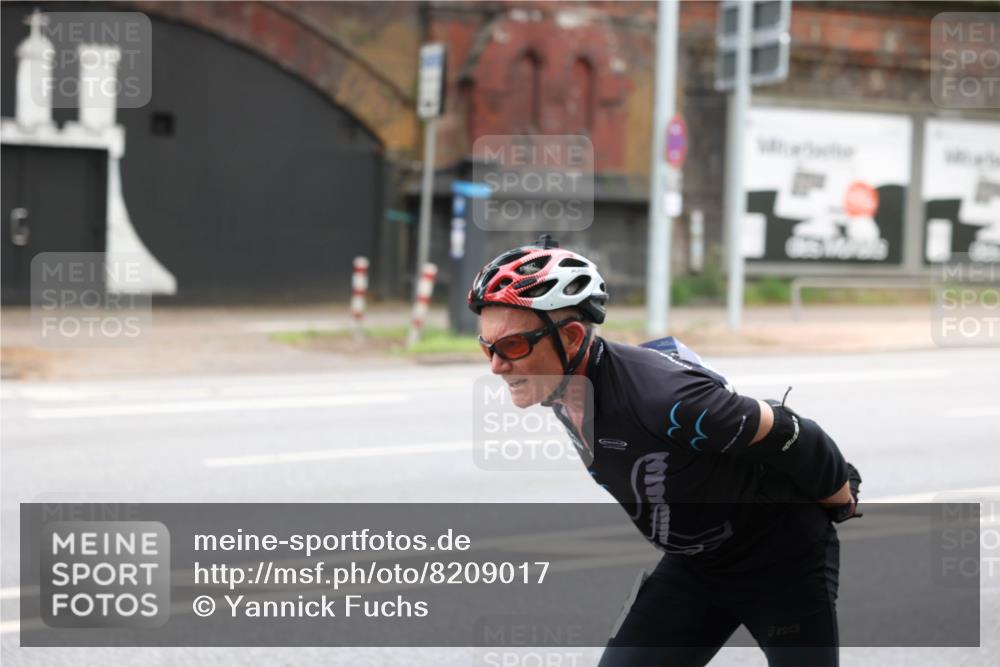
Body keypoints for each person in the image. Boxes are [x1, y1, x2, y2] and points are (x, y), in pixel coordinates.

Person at [468, 235, 863, 667]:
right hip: (697, 568)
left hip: (783, 562)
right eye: (487, 346)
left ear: (572, 336)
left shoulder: (664, 399)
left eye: (511, 346)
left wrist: (840, 497)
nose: (495, 365)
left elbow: (792, 431)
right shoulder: (564, 384)